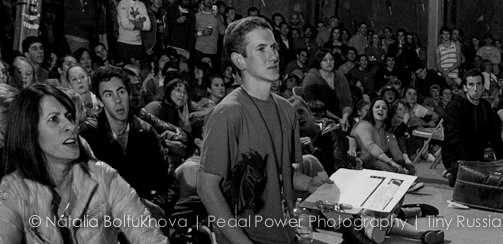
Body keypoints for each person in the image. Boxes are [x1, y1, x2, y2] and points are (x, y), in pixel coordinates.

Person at [198, 16, 325, 244]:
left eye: (274, 47)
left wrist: (309, 183)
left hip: (285, 235)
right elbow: (207, 188)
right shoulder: (227, 114)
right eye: (261, 49)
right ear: (240, 60)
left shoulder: (286, 110)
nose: (273, 56)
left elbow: (281, 174)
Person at [0, 84, 168, 243]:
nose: (71, 126)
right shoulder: (14, 189)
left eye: (69, 117)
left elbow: (149, 236)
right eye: (53, 119)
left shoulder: (103, 177)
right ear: (29, 130)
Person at [82, 66, 179, 217]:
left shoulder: (145, 131)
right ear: (100, 101)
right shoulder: (88, 133)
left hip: (148, 215)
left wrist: (156, 208)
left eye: (121, 92)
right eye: (108, 94)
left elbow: (169, 182)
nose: (117, 100)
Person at [442, 69, 503, 187]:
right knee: (476, 182)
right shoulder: (455, 107)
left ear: (483, 86)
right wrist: (474, 161)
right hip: (456, 156)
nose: (476, 89)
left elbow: (495, 136)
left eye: (479, 84)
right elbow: (454, 140)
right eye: (471, 85)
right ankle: (453, 173)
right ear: (465, 87)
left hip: (479, 155)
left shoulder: (485, 106)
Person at [351, 98, 415, 174]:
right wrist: (391, 162)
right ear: (371, 110)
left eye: (384, 108)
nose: (380, 109)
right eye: (377, 107)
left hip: (382, 158)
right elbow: (371, 147)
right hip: (364, 159)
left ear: (387, 113)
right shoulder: (363, 125)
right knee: (388, 168)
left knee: (410, 169)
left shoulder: (386, 128)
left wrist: (401, 163)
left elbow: (394, 147)